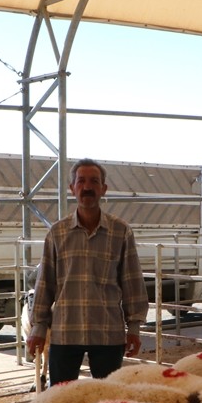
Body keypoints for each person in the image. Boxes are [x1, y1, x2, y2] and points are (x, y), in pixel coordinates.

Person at [26, 158, 148, 386]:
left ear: (103, 189)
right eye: (81, 181)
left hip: (107, 333)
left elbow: (132, 282)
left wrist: (134, 327)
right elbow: (45, 285)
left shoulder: (120, 232)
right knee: (61, 400)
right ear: (72, 188)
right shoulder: (57, 233)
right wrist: (38, 327)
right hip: (65, 332)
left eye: (94, 181)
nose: (88, 187)